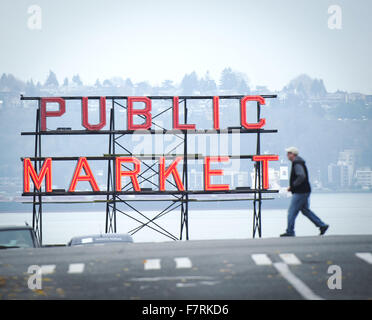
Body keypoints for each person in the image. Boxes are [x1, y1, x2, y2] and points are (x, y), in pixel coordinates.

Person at [280, 147, 329, 237]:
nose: (287, 155)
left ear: (293, 154)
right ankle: (322, 225)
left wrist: (293, 185)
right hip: (305, 190)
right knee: (305, 210)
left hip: (300, 191)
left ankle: (290, 231)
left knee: (292, 211)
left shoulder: (297, 163)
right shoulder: (299, 162)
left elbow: (301, 176)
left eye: (288, 153)